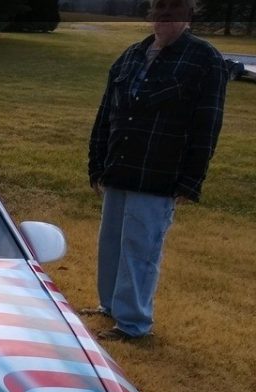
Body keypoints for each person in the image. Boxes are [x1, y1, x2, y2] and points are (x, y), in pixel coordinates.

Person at [85, 0, 228, 341]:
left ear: (186, 16)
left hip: (158, 175)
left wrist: (192, 179)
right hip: (118, 167)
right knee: (112, 245)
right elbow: (106, 114)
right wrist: (96, 164)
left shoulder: (205, 60)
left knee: (140, 250)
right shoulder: (132, 55)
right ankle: (110, 306)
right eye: (158, 14)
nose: (163, 21)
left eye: (171, 14)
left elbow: (207, 124)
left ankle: (133, 325)